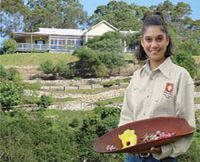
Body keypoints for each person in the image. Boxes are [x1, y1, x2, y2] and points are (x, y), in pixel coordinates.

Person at [118, 12, 196, 162]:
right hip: (132, 157)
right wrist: (126, 145)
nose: (153, 45)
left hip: (163, 158)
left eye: (159, 39)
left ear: (167, 40)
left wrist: (165, 150)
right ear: (142, 42)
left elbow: (187, 124)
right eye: (148, 39)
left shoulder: (180, 76)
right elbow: (126, 117)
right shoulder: (136, 77)